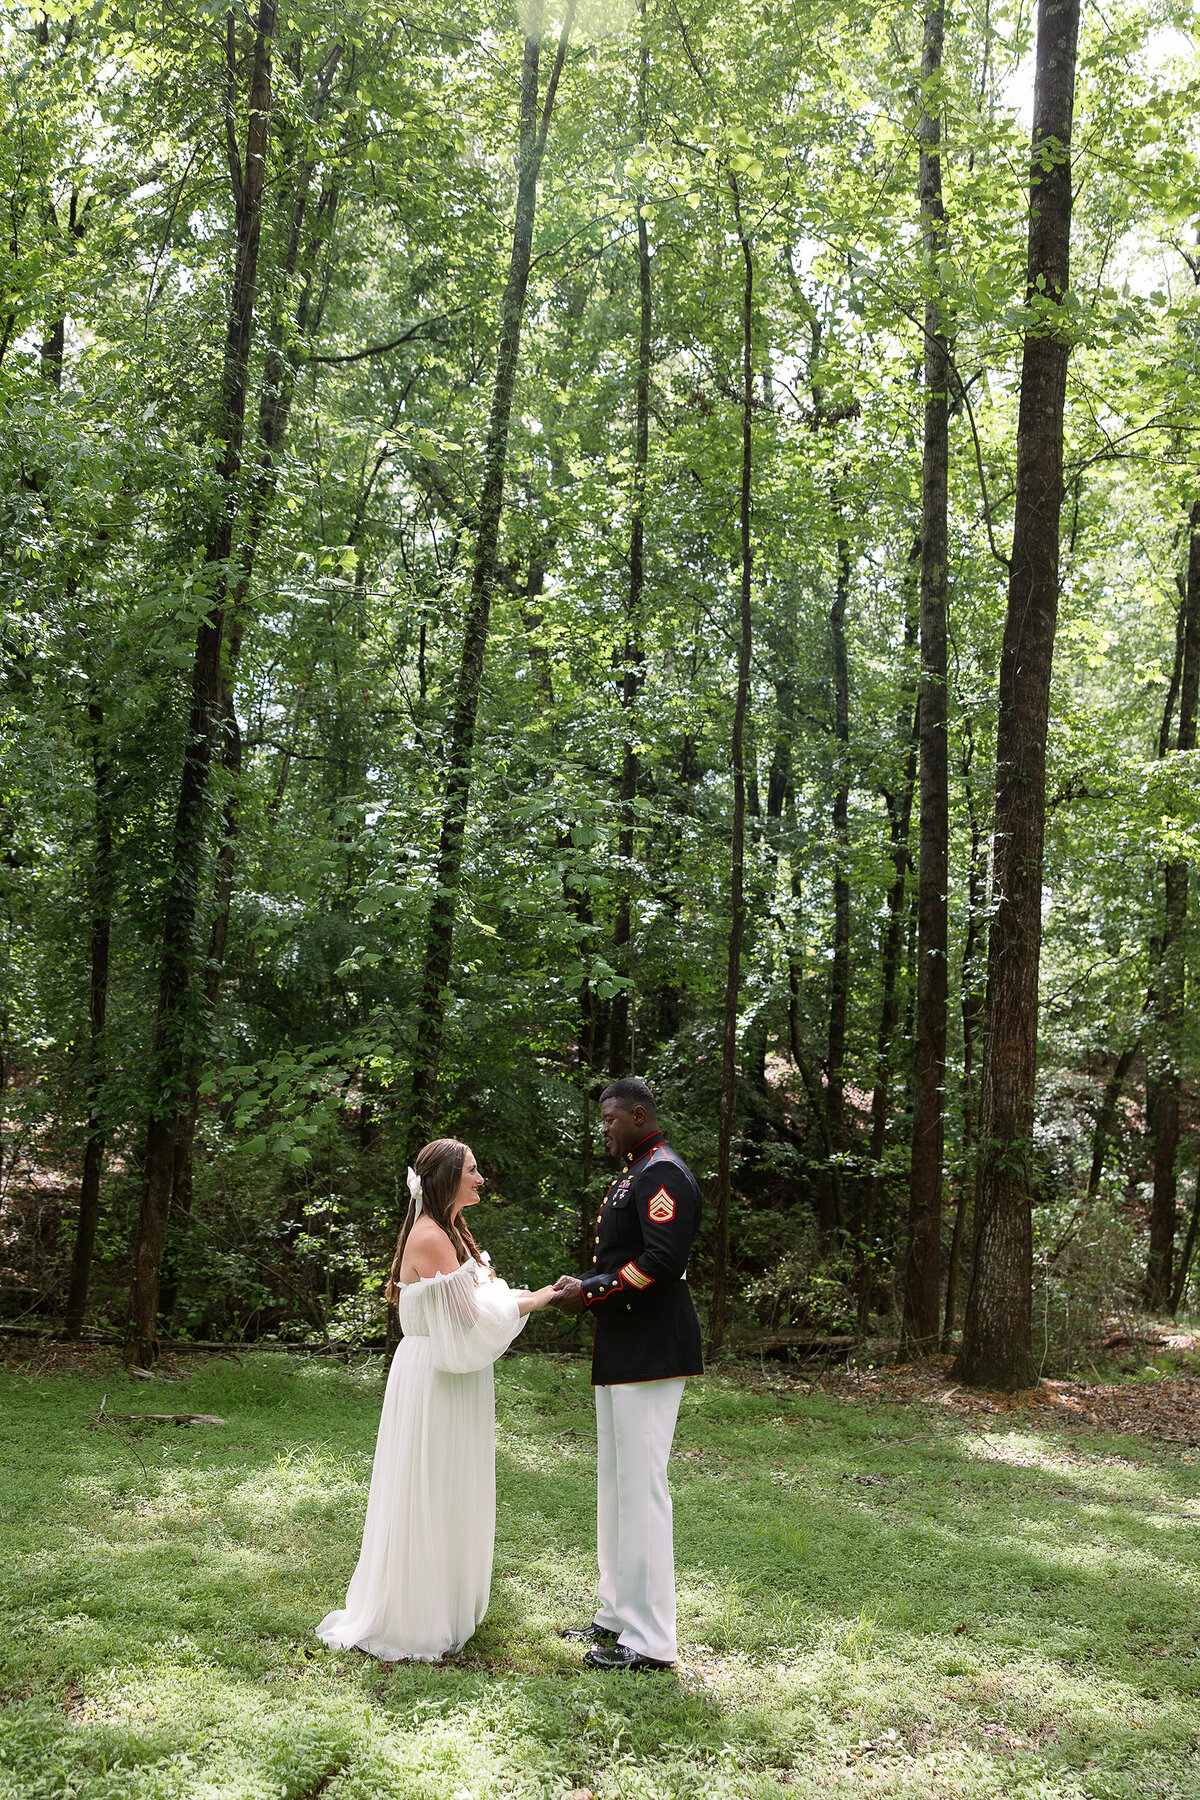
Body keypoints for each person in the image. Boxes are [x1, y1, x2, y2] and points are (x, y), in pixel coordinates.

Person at [316, 1138, 556, 1662]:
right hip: (434, 1377)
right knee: (429, 1485)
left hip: (451, 1375)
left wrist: (531, 1298)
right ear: (449, 1178)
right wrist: (537, 1300)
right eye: (473, 1170)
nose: (480, 1178)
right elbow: (470, 1321)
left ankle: (444, 1602)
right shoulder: (431, 1239)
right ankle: (415, 1613)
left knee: (449, 1483)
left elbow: (479, 1301)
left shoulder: (450, 1234)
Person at [551, 1077, 703, 1671]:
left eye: (612, 1118)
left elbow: (662, 1261)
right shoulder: (635, 1173)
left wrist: (588, 1292)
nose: (605, 1127)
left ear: (640, 1115)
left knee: (641, 1491)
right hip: (624, 1348)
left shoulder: (661, 1172)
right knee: (616, 1487)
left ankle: (651, 1640)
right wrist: (589, 1293)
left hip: (651, 1349)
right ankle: (615, 1615)